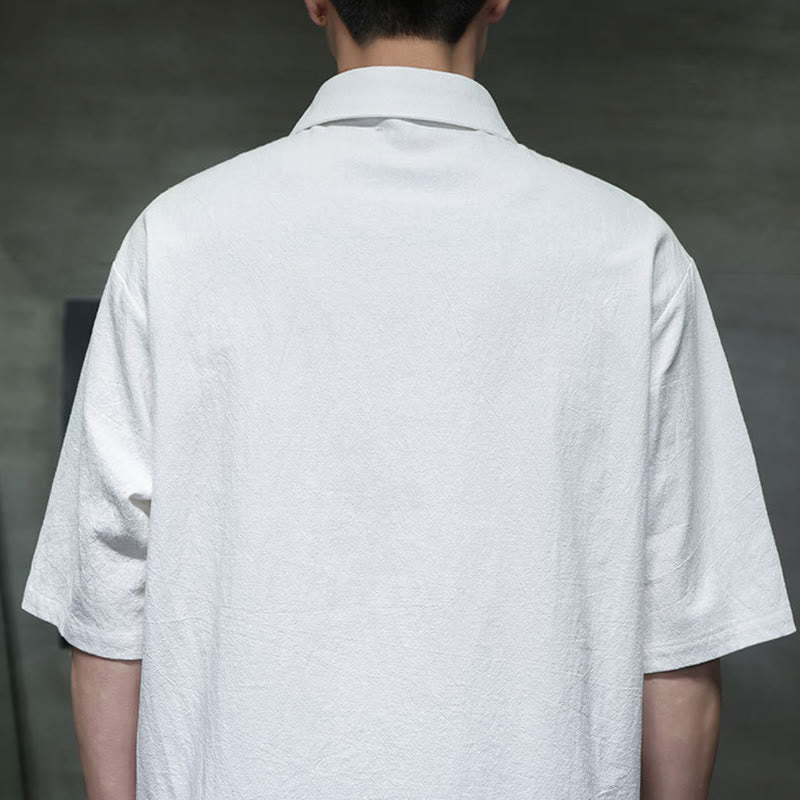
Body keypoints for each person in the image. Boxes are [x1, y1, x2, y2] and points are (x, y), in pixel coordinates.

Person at [20, 1, 796, 799]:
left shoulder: (177, 241)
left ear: (316, 1)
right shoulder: (630, 254)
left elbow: (107, 605)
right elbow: (680, 635)